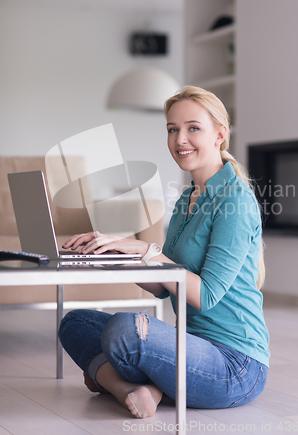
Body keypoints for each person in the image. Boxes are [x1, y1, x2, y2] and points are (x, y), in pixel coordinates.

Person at [59, 85, 270, 419]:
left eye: (193, 128)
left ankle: (121, 379)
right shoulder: (188, 198)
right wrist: (114, 253)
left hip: (235, 365)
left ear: (220, 134)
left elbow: (206, 295)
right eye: (172, 130)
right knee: (75, 322)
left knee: (125, 331)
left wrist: (147, 249)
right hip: (186, 345)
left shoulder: (235, 201)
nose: (180, 139)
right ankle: (133, 388)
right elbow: (162, 287)